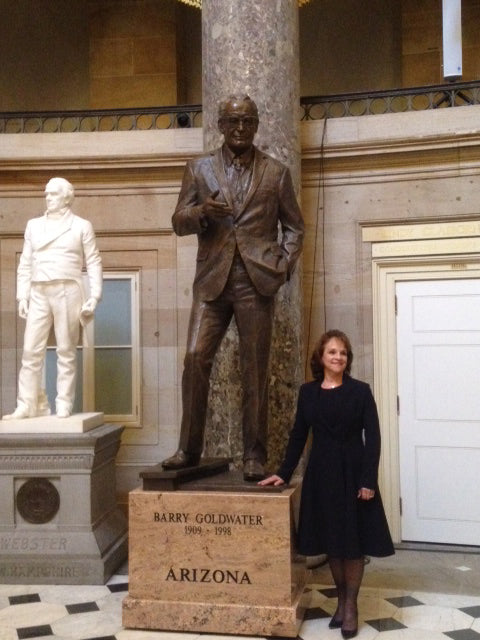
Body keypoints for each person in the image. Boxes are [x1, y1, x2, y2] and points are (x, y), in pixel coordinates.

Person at [161, 95, 304, 481]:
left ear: (256, 125)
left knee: (255, 369)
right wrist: (201, 213)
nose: (240, 128)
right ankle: (189, 449)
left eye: (247, 122)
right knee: (194, 358)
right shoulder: (199, 168)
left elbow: (295, 227)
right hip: (211, 282)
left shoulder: (276, 173)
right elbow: (178, 221)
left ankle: (254, 455)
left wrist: (283, 265)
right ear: (221, 126)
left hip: (255, 282)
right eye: (232, 122)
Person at [259, 330, 394, 639]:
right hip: (321, 475)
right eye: (332, 352)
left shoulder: (360, 391)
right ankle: (341, 599)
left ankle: (350, 606)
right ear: (321, 357)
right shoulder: (308, 393)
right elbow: (297, 436)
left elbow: (372, 438)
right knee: (334, 541)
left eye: (343, 353)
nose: (338, 357)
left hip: (354, 474)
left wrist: (368, 480)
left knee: (353, 543)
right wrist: (283, 471)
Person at [3, 177, 102, 420]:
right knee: (30, 350)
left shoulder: (81, 226)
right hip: (38, 290)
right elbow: (25, 263)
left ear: (66, 197)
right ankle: (28, 404)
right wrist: (22, 296)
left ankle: (64, 402)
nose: (48, 198)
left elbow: (93, 261)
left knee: (66, 349)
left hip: (67, 289)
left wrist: (95, 295)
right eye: (46, 194)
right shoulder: (33, 225)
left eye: (53, 194)